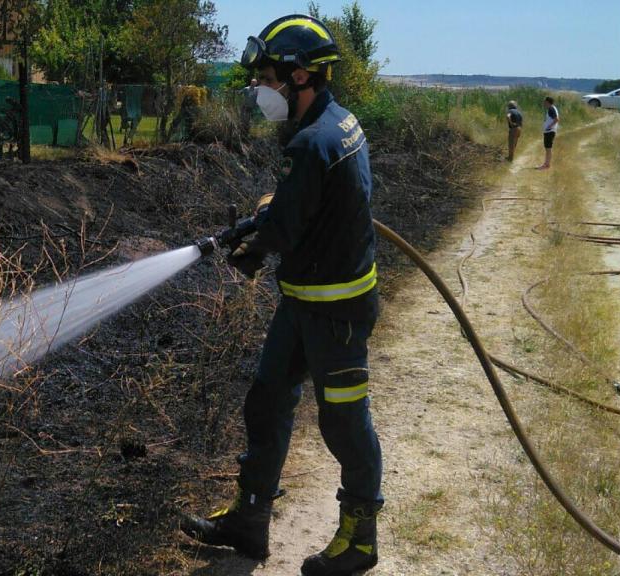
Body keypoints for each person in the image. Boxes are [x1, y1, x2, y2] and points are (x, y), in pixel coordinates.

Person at [180, 14, 383, 576]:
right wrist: (274, 214)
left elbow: (285, 228)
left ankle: (360, 538)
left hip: (336, 309)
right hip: (304, 300)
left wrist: (251, 247)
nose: (259, 88)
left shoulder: (314, 142)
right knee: (268, 401)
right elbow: (303, 208)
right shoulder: (335, 124)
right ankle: (250, 521)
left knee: (344, 423)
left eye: (267, 76)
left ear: (299, 77)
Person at [538, 96, 559, 170]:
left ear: (547, 102)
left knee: (548, 148)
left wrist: (549, 127)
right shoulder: (553, 108)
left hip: (549, 131)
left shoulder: (551, 108)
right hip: (550, 131)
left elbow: (556, 119)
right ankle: (546, 164)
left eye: (544, 102)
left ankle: (546, 165)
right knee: (548, 148)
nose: (543, 103)